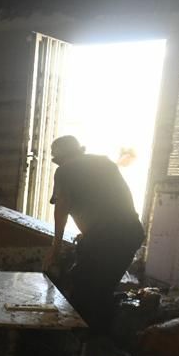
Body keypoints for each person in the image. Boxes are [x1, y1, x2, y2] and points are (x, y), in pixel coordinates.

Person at [43, 136, 144, 332]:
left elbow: (61, 211)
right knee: (104, 288)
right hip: (131, 233)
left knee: (83, 288)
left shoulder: (64, 171)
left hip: (105, 238)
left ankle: (82, 340)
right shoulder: (105, 163)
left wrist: (54, 250)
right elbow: (109, 202)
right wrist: (89, 234)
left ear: (59, 158)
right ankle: (104, 338)